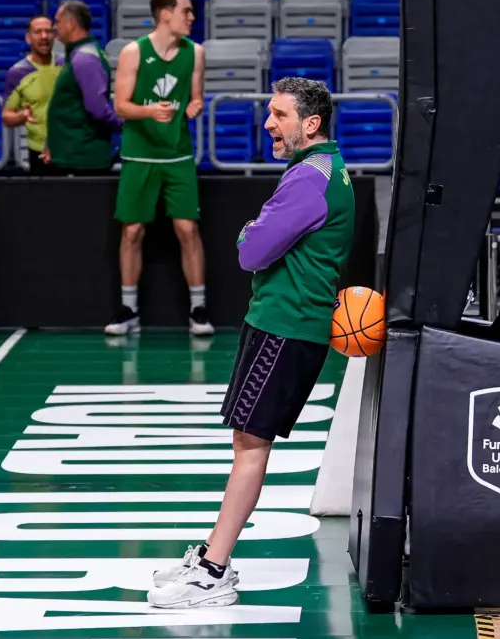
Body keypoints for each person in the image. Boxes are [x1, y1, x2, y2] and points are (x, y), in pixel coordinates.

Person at [147, 77, 354, 609]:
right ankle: (211, 555)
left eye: (279, 115)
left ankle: (214, 570)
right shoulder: (323, 171)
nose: (268, 124)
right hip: (282, 323)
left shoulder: (309, 179)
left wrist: (248, 231)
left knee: (249, 447)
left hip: (285, 326)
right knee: (247, 443)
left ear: (310, 124)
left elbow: (251, 251)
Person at [107, 0, 212, 337]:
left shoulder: (195, 53)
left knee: (187, 229)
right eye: (186, 11)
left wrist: (194, 106)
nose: (192, 17)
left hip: (178, 155)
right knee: (133, 231)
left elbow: (195, 98)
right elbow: (121, 106)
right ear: (165, 14)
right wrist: (151, 110)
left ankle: (198, 308)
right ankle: (128, 309)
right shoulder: (133, 52)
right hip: (139, 155)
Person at [42, 0, 123, 175]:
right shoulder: (78, 55)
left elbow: (97, 110)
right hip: (73, 156)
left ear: (70, 24)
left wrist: (124, 125)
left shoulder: (85, 59)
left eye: (57, 22)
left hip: (83, 160)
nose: (54, 28)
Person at [2, 15, 64, 176]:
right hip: (37, 152)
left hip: (68, 148)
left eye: (48, 31)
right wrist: (22, 116)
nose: (44, 36)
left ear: (55, 36)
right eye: (38, 32)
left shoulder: (67, 65)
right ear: (28, 38)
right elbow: (7, 117)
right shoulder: (17, 73)